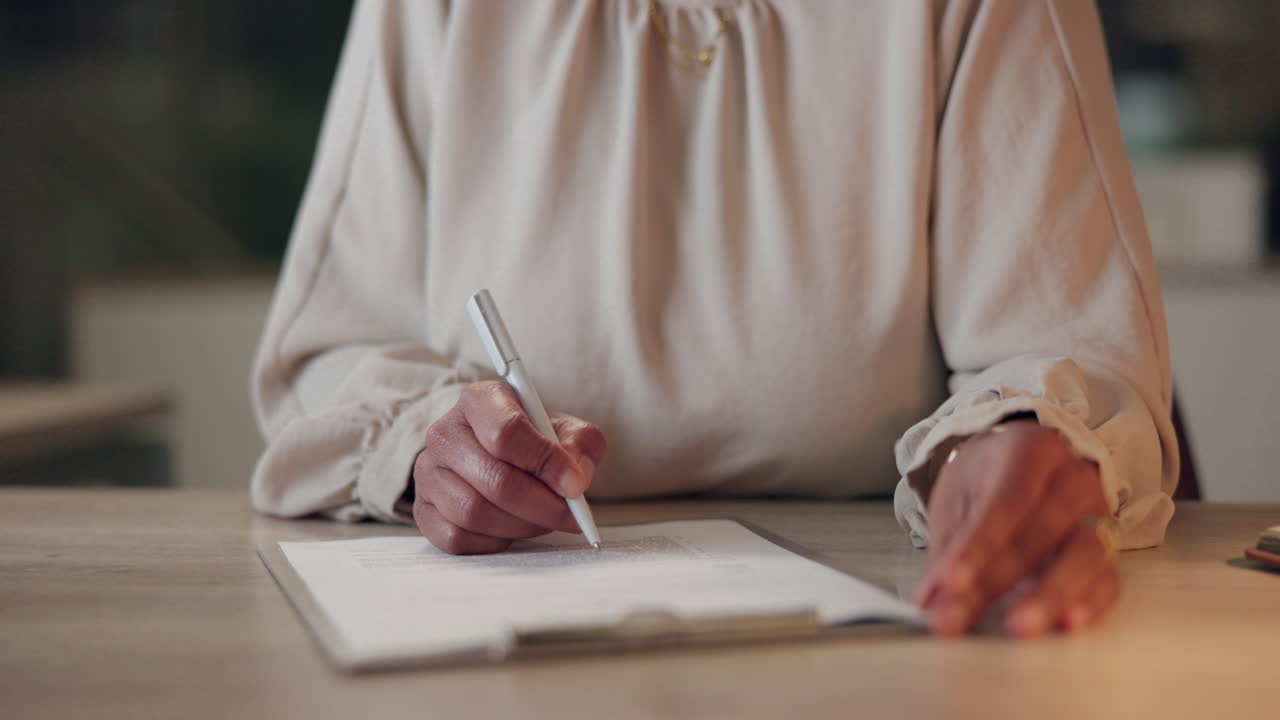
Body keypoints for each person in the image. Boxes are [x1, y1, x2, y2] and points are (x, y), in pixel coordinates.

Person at [250, 0, 1177, 638]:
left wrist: (1018, 438)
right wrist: (425, 450)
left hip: (888, 634)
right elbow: (332, 354)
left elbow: (1060, 342)